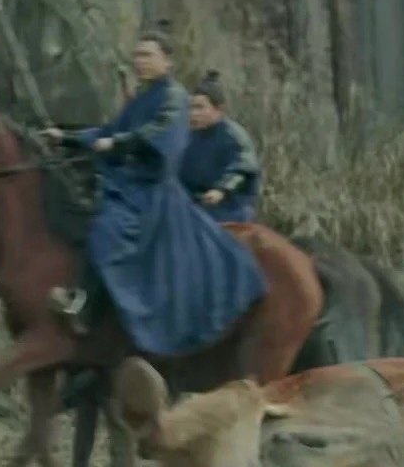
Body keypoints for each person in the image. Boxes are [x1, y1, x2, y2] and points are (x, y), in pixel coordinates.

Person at [40, 30, 266, 355]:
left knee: (108, 227)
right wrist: (66, 137)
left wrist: (118, 143)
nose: (140, 61)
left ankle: (85, 305)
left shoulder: (175, 98)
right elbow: (108, 131)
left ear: (167, 61)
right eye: (137, 55)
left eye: (147, 55)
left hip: (152, 190)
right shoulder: (143, 98)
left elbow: (154, 134)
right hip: (129, 183)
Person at [180, 71, 261, 223]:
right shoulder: (187, 136)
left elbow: (242, 169)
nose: (193, 114)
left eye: (199, 108)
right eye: (190, 108)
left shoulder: (234, 136)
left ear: (219, 110)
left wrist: (221, 190)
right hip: (193, 204)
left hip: (229, 207)